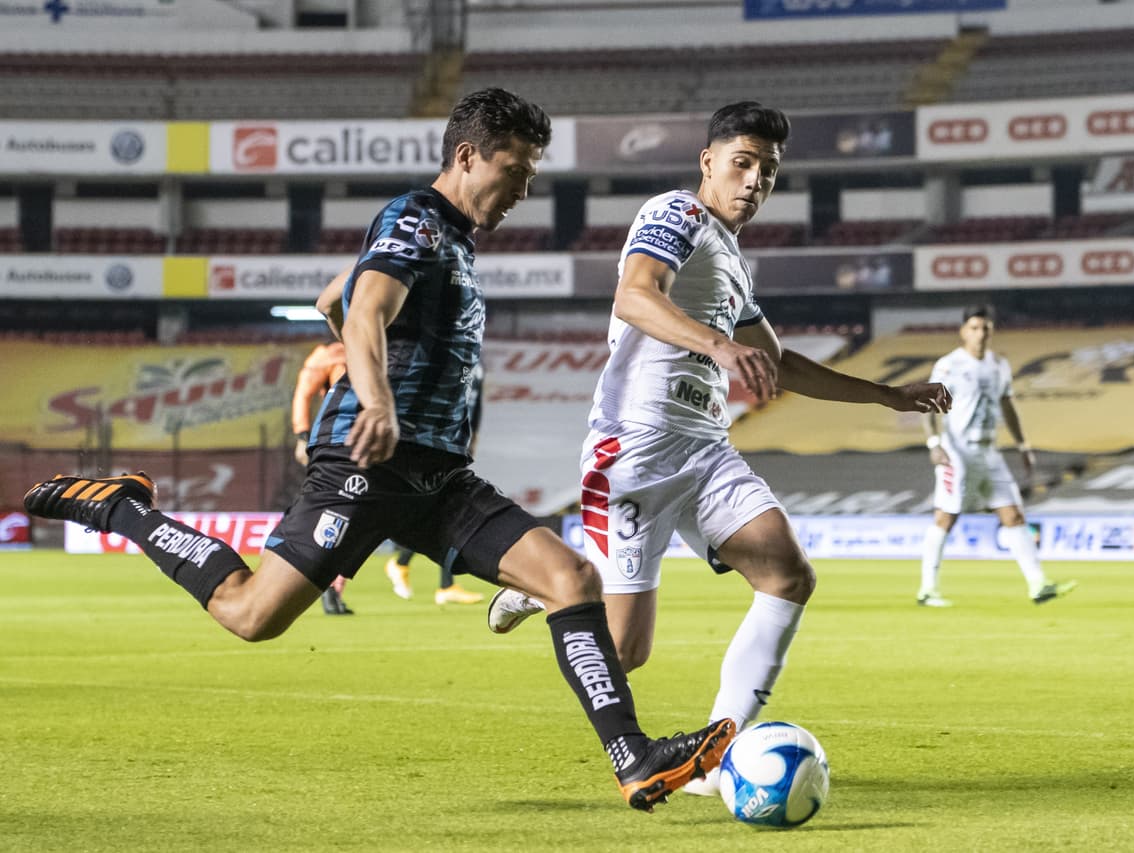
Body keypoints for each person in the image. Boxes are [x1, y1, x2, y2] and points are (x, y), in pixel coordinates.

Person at [23, 87, 734, 811]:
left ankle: (635, 759)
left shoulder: (451, 240)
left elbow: (339, 295)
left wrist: (360, 328)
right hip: (367, 463)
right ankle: (125, 507)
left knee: (572, 579)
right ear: (467, 156)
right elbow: (363, 307)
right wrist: (376, 398)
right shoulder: (416, 221)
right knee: (250, 615)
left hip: (440, 477)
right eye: (516, 171)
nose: (524, 189)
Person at [486, 101, 951, 795]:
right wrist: (718, 344)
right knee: (623, 651)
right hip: (635, 445)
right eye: (742, 162)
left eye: (768, 169)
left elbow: (780, 362)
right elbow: (635, 296)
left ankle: (718, 757)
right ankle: (552, 581)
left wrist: (886, 395)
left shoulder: (733, 258)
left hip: (703, 450)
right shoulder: (675, 214)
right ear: (708, 163)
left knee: (788, 573)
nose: (755, 179)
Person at [916, 304, 1076, 608]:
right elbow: (928, 405)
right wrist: (934, 443)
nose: (980, 334)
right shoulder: (949, 365)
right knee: (946, 517)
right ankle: (927, 589)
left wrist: (1023, 445)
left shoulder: (999, 365)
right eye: (974, 328)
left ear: (992, 331)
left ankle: (1038, 585)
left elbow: (1007, 406)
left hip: (990, 450)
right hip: (957, 450)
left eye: (985, 328)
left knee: (1013, 514)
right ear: (963, 331)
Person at [384, 361, 485, 605]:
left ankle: (438, 581)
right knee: (443, 508)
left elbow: (476, 402)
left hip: (456, 439)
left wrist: (473, 434)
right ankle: (406, 566)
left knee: (447, 510)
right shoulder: (446, 355)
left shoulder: (477, 363)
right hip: (436, 440)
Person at [291, 339, 356, 615]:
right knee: (338, 517)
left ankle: (331, 589)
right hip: (338, 443)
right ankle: (326, 586)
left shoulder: (354, 348)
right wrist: (302, 434)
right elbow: (304, 393)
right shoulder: (329, 355)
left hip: (357, 441)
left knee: (344, 519)